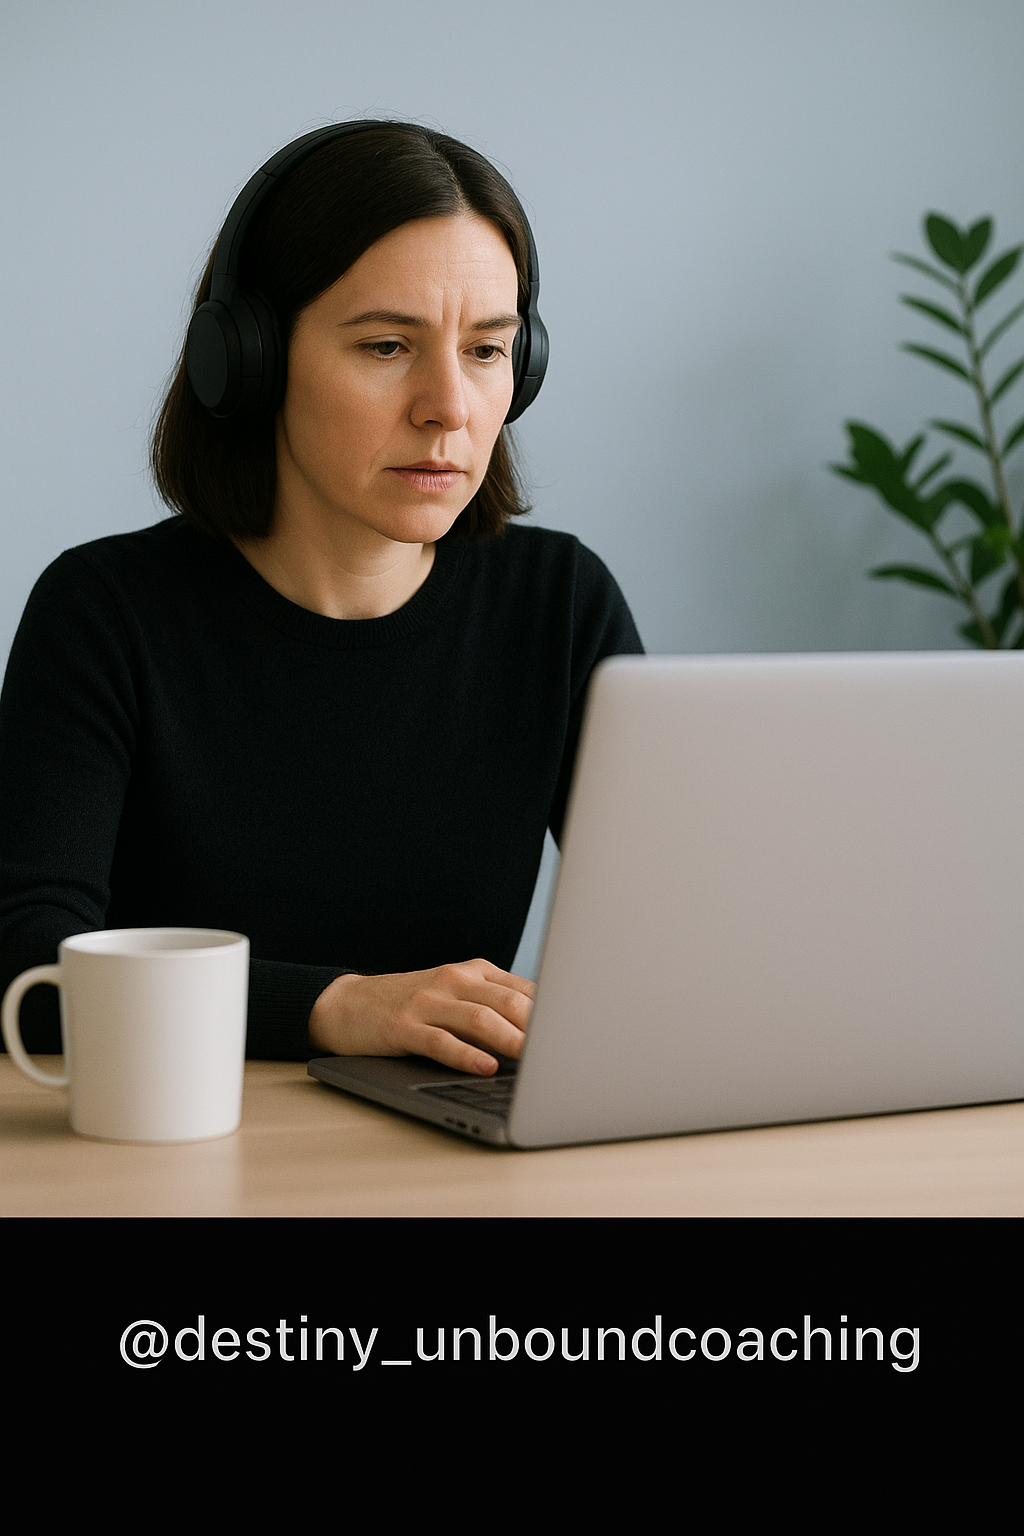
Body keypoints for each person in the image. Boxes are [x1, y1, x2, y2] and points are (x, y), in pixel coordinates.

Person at [0, 121, 643, 1076]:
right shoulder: (105, 614)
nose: (449, 406)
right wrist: (335, 1006)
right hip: (177, 1135)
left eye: (486, 350)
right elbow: (26, 962)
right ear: (249, 360)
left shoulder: (561, 604)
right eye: (387, 345)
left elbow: (678, 924)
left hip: (450, 1138)